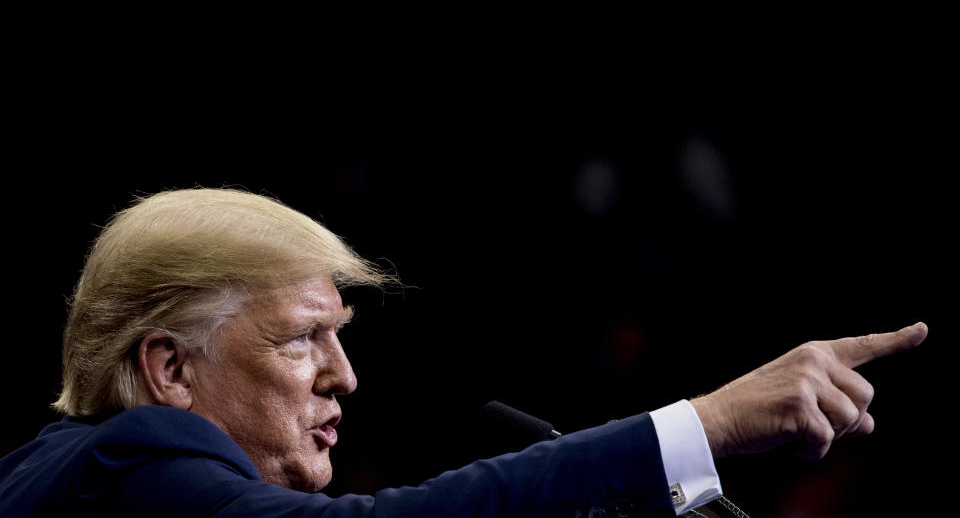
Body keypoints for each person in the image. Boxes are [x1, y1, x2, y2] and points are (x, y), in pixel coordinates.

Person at [0, 188, 928, 517]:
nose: (343, 375)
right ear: (169, 370)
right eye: (300, 340)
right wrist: (707, 425)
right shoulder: (137, 462)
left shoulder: (58, 468)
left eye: (340, 336)